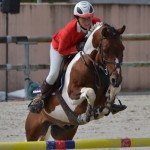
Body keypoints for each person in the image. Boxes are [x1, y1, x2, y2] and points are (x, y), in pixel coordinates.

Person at [28, 1, 127, 114]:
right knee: (54, 74)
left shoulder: (97, 23)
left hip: (80, 48)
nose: (87, 22)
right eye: (83, 19)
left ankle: (108, 101)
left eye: (89, 18)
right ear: (77, 18)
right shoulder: (68, 31)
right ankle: (40, 97)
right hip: (59, 48)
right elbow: (62, 50)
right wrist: (78, 47)